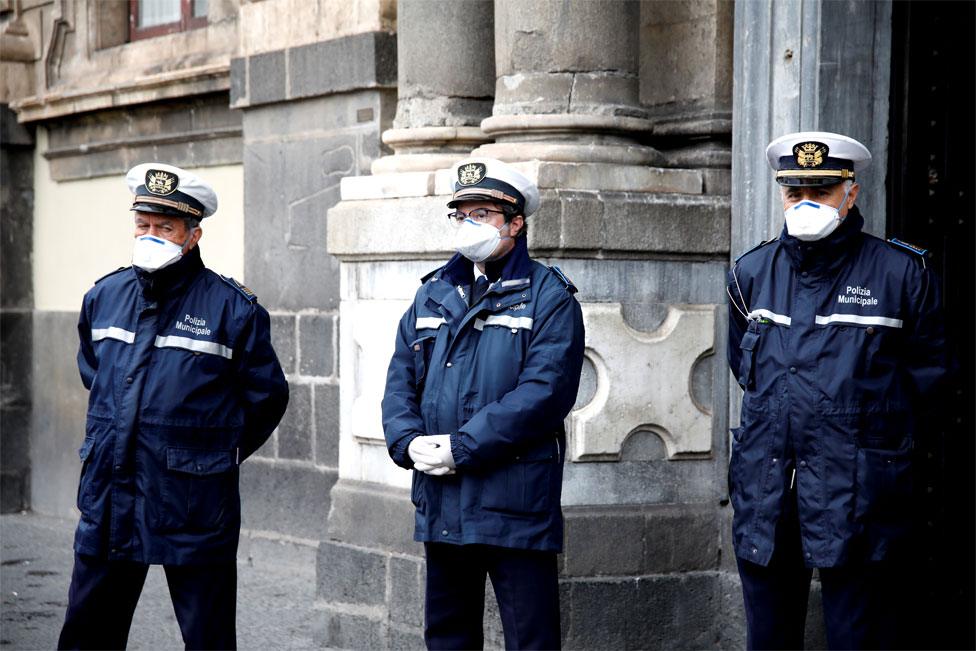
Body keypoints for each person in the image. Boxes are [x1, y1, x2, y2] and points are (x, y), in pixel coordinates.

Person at [726, 132, 948, 649]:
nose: (805, 204)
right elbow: (747, 368)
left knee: (859, 635)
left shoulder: (900, 273)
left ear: (851, 192)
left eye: (821, 191)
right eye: (793, 191)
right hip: (768, 490)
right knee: (770, 636)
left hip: (860, 495)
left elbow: (929, 380)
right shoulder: (751, 273)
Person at [58, 163, 289, 650]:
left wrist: (213, 453)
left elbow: (266, 397)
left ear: (193, 234)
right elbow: (94, 373)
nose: (150, 235)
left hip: (194, 500)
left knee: (205, 636)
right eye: (143, 225)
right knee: (88, 631)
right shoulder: (104, 296)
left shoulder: (232, 308)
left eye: (165, 227)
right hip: (110, 494)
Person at [382, 157, 585, 649]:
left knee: (529, 636)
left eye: (483, 214)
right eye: (462, 214)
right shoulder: (432, 293)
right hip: (442, 498)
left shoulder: (549, 297)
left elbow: (544, 394)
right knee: (449, 634)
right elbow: (399, 379)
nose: (469, 225)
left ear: (516, 222)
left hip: (514, 499)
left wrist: (462, 446)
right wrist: (407, 442)